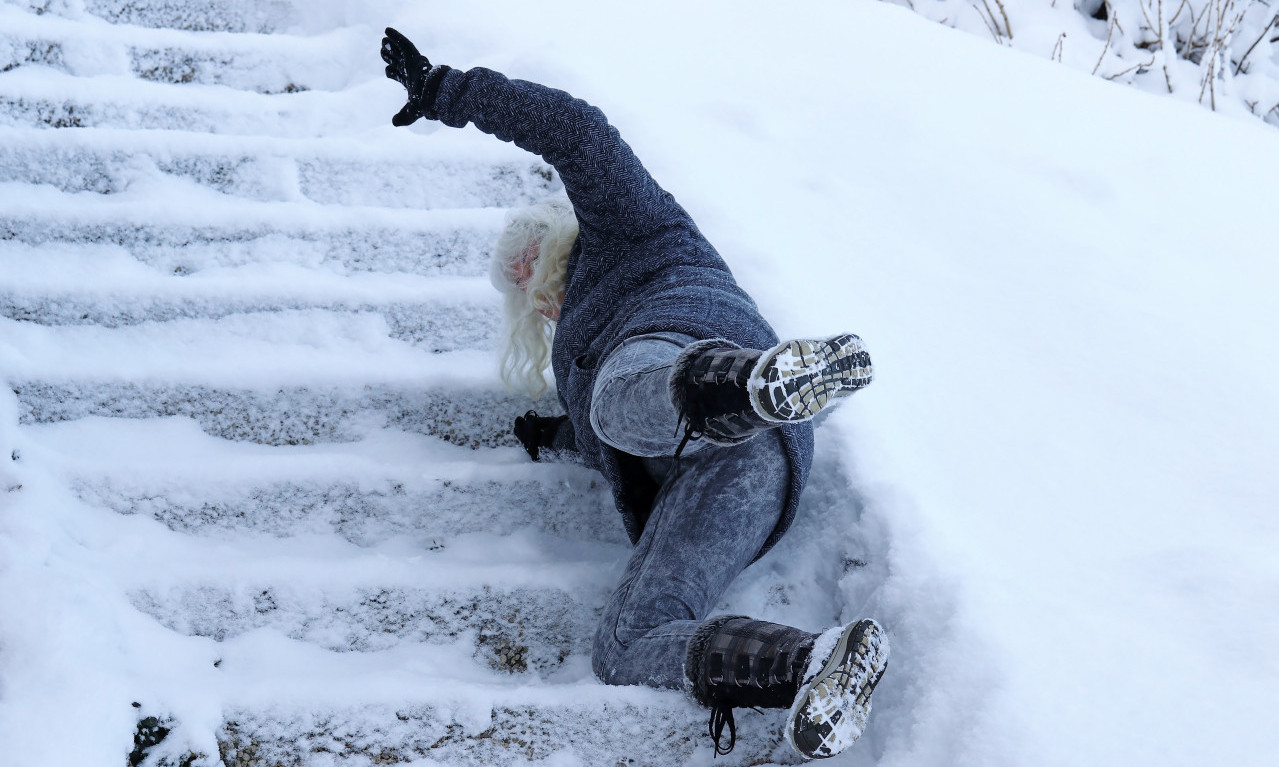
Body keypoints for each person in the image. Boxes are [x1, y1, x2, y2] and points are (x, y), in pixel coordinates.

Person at [381, 28, 888, 760]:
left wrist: (447, 92)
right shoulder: (578, 362)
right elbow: (602, 438)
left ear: (553, 236)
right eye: (520, 296)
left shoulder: (631, 234)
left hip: (683, 339)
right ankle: (816, 663)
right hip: (747, 472)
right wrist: (548, 435)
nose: (533, 296)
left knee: (616, 395)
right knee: (624, 644)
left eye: (525, 267)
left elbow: (578, 133)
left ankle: (758, 383)